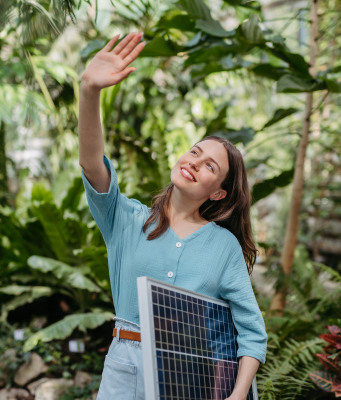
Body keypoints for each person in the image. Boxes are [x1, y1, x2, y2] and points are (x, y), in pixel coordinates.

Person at [78, 31, 268, 400]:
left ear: (218, 193)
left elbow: (251, 330)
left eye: (210, 166)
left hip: (188, 373)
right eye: (194, 152)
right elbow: (91, 162)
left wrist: (237, 395)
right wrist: (89, 89)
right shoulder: (125, 218)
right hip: (123, 369)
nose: (195, 162)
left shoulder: (223, 247)